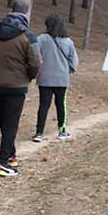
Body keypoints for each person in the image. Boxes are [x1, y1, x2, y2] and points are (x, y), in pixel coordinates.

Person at [0, 0, 41, 177]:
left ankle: (11, 156)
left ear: (10, 11)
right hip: (17, 86)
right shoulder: (28, 36)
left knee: (6, 122)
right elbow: (36, 63)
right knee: (11, 124)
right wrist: (28, 76)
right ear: (26, 14)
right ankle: (3, 163)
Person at [32, 13, 78, 141]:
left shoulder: (41, 38)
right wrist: (68, 71)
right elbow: (74, 61)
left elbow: (33, 53)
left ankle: (39, 132)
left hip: (45, 78)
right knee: (61, 105)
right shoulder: (68, 41)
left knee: (43, 105)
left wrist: (37, 69)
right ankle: (62, 131)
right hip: (62, 79)